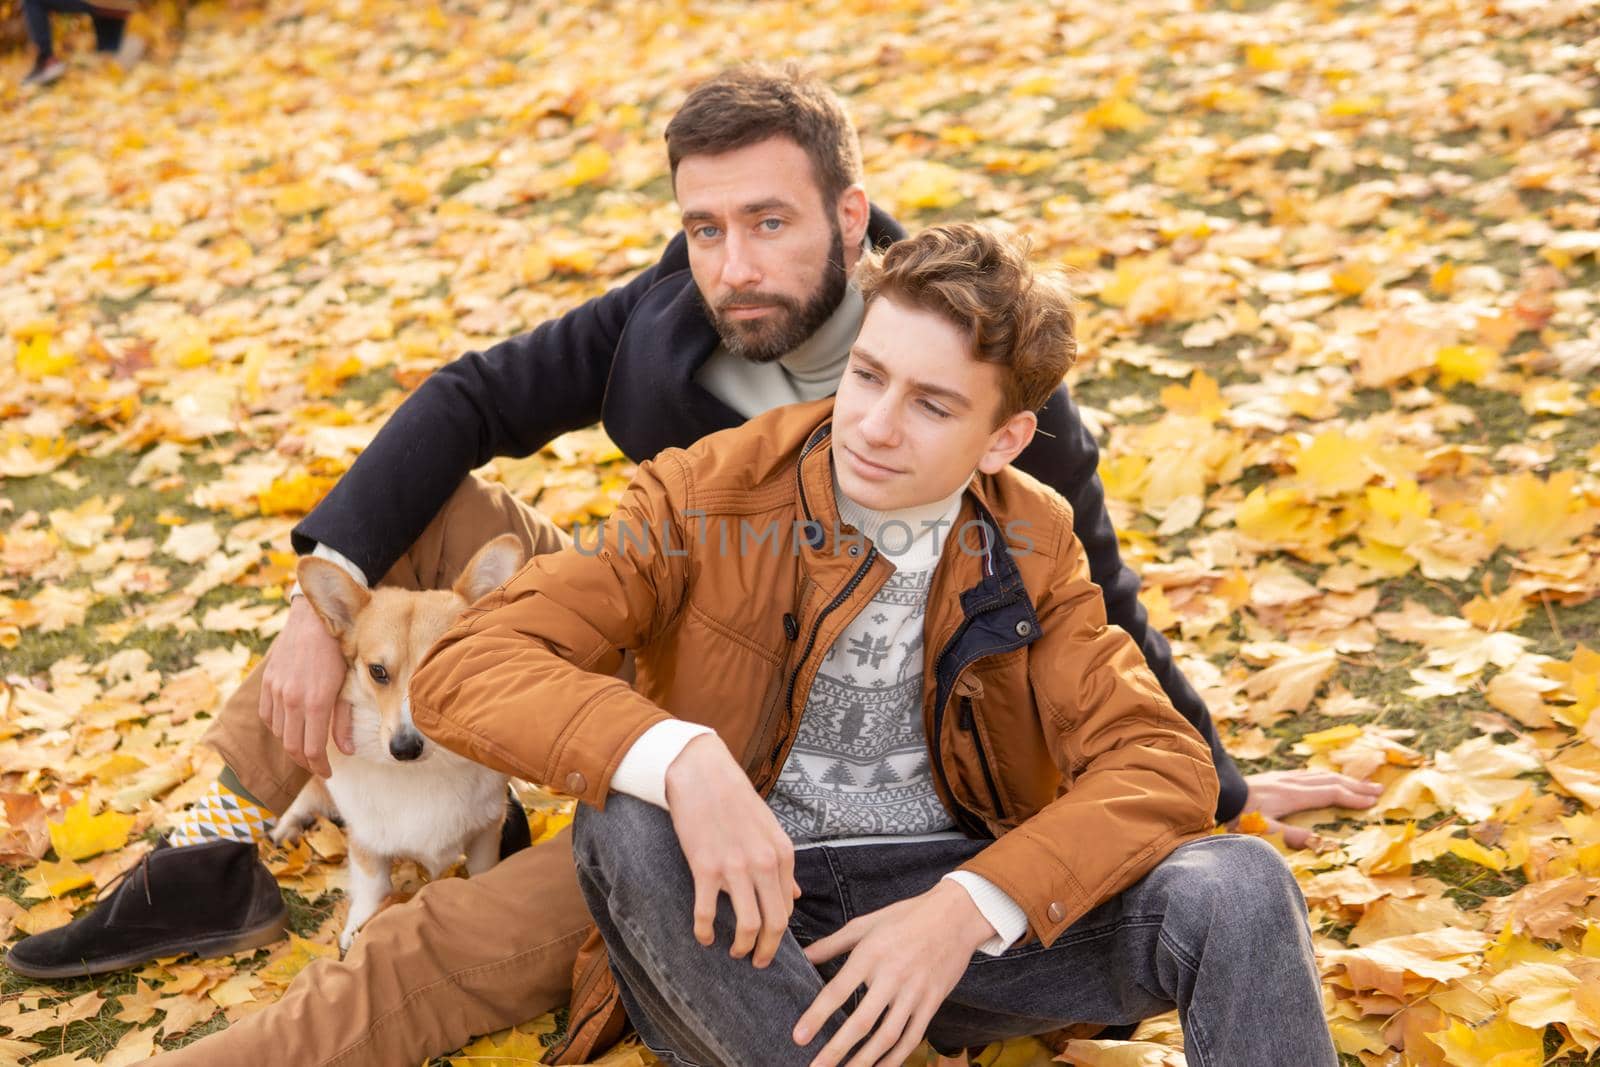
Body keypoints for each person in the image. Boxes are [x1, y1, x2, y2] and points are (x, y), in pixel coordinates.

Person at [4, 64, 1374, 1065]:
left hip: (840, 799)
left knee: (463, 936)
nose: (731, 261)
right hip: (671, 665)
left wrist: (1219, 784)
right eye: (703, 227)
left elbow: (1099, 624)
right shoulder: (685, 356)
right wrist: (324, 598)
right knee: (447, 561)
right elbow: (472, 405)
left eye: (767, 222)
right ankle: (227, 838)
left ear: (854, 218)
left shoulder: (990, 398)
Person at [405, 222, 1339, 1066]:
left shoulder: (1032, 535)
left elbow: (1160, 760)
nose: (876, 426)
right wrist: (682, 755)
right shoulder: (706, 491)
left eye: (933, 406)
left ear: (1002, 438)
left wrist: (966, 907)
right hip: (742, 924)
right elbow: (467, 665)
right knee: (632, 811)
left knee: (1242, 883)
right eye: (867, 375)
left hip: (952, 922)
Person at [19, 0, 143, 87]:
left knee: (33, 0)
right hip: (123, 5)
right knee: (108, 57)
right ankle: (118, 62)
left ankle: (47, 61)